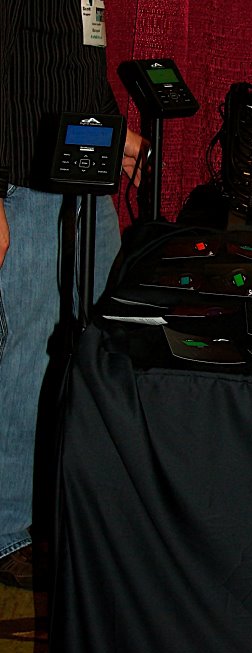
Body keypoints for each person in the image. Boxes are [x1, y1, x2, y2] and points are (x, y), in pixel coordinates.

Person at [0, 0, 144, 589]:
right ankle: (9, 530)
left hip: (82, 180)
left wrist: (115, 137)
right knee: (29, 358)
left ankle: (64, 507)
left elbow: (77, 65)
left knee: (94, 347)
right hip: (24, 184)